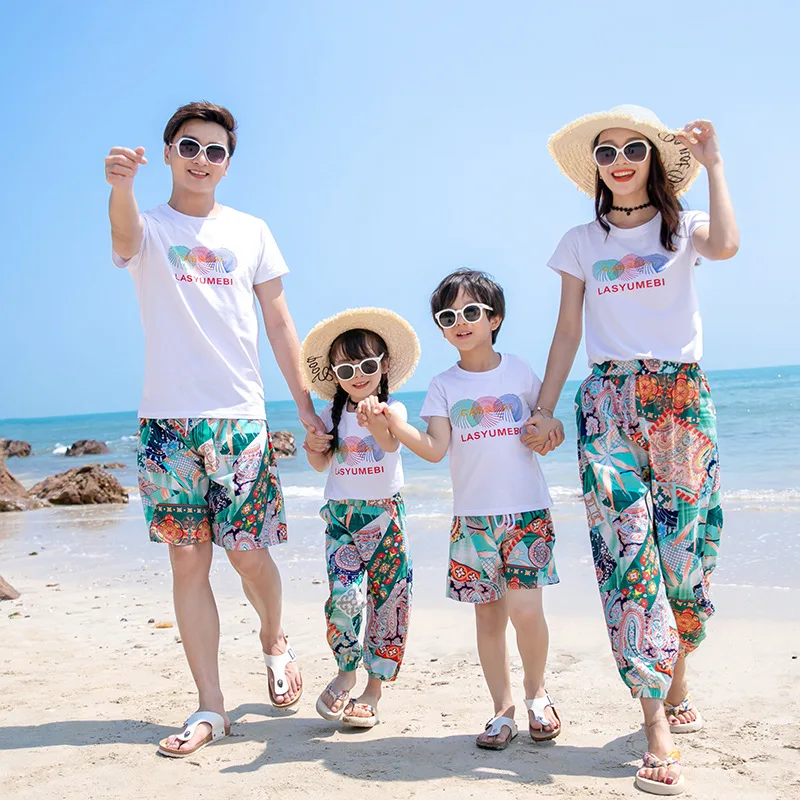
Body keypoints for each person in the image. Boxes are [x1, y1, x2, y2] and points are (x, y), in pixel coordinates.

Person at [525, 105, 739, 794]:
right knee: (628, 557)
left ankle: (676, 679)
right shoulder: (579, 242)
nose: (619, 159)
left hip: (682, 405)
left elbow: (730, 246)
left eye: (633, 149)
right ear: (595, 165)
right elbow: (565, 332)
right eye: (606, 150)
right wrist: (545, 410)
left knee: (685, 556)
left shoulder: (682, 229)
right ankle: (654, 721)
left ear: (653, 158)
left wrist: (715, 167)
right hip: (608, 406)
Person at [105, 101, 326, 758]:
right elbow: (121, 241)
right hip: (165, 424)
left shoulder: (251, 231)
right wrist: (121, 187)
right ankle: (211, 705)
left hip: (239, 420)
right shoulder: (146, 227)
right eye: (190, 146)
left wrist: (305, 408)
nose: (202, 159)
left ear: (228, 163)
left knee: (249, 555)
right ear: (169, 153)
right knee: (187, 559)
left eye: (215, 150)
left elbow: (281, 325)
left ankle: (275, 639)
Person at [364, 269, 561, 750]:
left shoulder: (519, 371)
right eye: (448, 316)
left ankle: (538, 696)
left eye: (472, 312)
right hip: (472, 521)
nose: (461, 322)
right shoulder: (442, 386)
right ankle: (503, 709)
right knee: (488, 620)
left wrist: (550, 429)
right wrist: (391, 420)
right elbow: (434, 448)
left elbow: (548, 425)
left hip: (526, 513)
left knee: (525, 610)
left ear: (494, 318)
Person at [300, 308, 419, 728]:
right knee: (345, 598)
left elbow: (388, 446)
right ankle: (346, 669)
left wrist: (378, 420)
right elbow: (319, 465)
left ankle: (373, 689)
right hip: (342, 520)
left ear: (384, 366)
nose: (358, 374)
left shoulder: (395, 409)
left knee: (389, 602)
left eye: (368, 365)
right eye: (347, 368)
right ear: (334, 372)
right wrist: (314, 443)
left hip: (385, 518)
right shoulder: (333, 415)